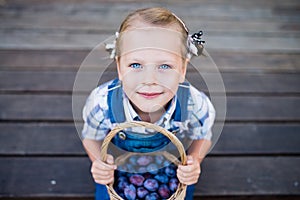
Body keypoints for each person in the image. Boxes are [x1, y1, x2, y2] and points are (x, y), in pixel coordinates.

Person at [81, 7, 215, 200]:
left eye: (164, 66)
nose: (150, 79)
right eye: (136, 65)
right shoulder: (101, 103)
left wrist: (194, 161)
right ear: (119, 67)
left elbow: (202, 136)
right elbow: (90, 138)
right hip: (120, 168)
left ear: (183, 69)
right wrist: (99, 162)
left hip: (171, 169)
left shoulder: (195, 104)